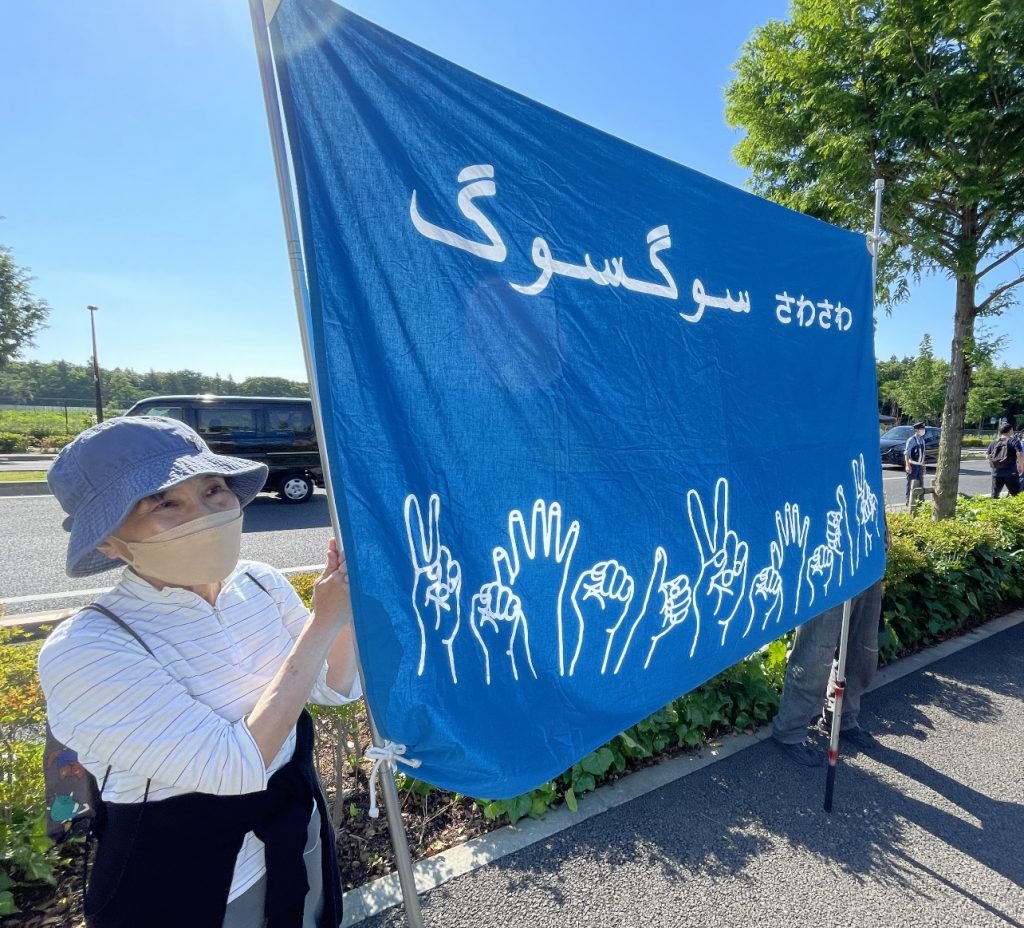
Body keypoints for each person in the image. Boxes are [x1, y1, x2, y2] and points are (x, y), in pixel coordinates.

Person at [39, 415, 360, 928]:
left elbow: (333, 686)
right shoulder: (87, 649)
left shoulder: (260, 583)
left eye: (213, 490)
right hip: (183, 882)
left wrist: (343, 613)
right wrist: (323, 622)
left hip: (296, 836)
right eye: (165, 502)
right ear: (107, 541)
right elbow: (234, 768)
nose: (204, 514)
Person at [772, 580, 884, 766]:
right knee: (814, 655)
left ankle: (842, 717)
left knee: (862, 652)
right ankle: (789, 731)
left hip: (867, 564)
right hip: (826, 567)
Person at [986, 422, 1022, 498]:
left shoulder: (994, 442)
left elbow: (987, 456)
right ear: (1010, 430)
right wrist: (1022, 467)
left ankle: (993, 508)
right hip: (1011, 472)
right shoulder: (1014, 441)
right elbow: (1020, 454)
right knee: (1016, 495)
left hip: (996, 472)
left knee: (994, 496)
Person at [903, 421, 927, 506]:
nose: (923, 430)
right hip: (912, 465)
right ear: (916, 430)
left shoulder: (922, 440)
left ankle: (920, 501)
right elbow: (907, 453)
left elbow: (923, 454)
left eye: (923, 429)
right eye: (921, 429)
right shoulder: (911, 440)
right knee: (910, 483)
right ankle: (908, 501)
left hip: (919, 465)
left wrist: (924, 466)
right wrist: (907, 465)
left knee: (920, 483)